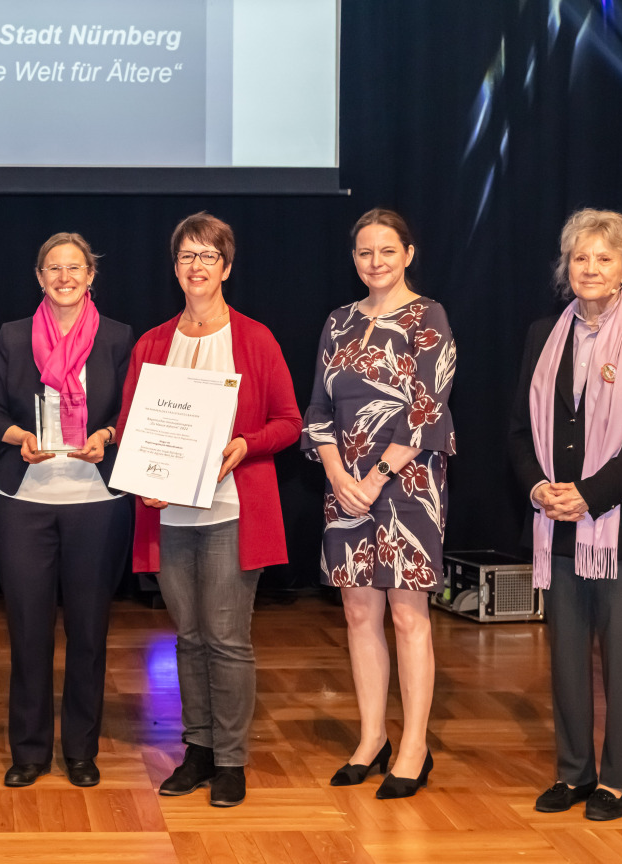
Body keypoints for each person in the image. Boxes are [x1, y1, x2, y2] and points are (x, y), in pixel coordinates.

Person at [116, 212, 301, 807]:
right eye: (186, 256)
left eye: (208, 256)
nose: (197, 267)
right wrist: (142, 475)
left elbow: (289, 423)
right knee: (188, 637)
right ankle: (196, 750)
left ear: (227, 266)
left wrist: (248, 444)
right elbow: (129, 428)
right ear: (175, 267)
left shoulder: (255, 338)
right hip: (169, 514)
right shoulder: (152, 343)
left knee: (226, 636)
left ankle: (232, 760)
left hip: (230, 511)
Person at [509, 208, 622, 821]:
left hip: (621, 528)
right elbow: (518, 430)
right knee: (567, 656)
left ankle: (620, 778)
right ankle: (574, 773)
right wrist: (538, 490)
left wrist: (591, 493)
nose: (591, 268)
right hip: (556, 523)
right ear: (566, 267)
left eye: (605, 258)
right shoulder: (540, 336)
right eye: (581, 257)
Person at [300, 208, 456, 799]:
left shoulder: (428, 317)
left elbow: (427, 407)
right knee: (359, 614)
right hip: (346, 488)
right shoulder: (338, 321)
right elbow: (317, 409)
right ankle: (372, 738)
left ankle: (414, 745)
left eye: (386, 251)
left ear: (408, 254)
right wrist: (341, 474)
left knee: (407, 617)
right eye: (365, 252)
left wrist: (377, 476)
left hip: (410, 486)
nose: (375, 262)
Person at [0, 232, 134, 788]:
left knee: (90, 632)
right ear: (39, 277)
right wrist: (17, 433)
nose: (65, 277)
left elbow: (133, 410)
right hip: (24, 501)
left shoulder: (118, 338)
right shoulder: (13, 336)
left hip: (97, 501)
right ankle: (28, 751)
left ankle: (81, 750)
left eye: (76, 267)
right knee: (27, 632)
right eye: (54, 268)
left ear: (91, 275)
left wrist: (110, 432)